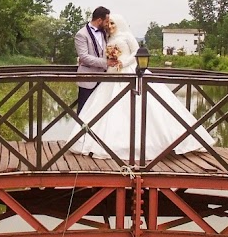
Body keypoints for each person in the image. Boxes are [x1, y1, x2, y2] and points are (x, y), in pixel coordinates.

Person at [74, 12, 217, 160]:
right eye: (108, 23)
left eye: (112, 23)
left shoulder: (126, 36)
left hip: (130, 71)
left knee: (146, 106)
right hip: (112, 73)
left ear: (119, 24)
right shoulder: (107, 37)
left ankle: (159, 142)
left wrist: (124, 63)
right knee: (108, 108)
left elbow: (137, 52)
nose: (109, 26)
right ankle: (109, 142)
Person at [74, 6, 118, 113]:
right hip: (88, 79)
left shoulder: (105, 33)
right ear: (99, 20)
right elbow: (84, 57)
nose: (107, 24)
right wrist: (105, 62)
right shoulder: (81, 34)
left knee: (101, 112)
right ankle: (81, 130)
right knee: (84, 111)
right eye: (106, 21)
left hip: (104, 80)